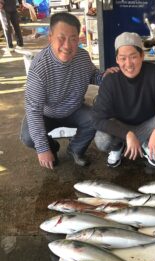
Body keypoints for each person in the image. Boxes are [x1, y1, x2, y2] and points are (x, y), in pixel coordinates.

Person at [20, 12, 118, 169]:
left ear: (78, 39)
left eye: (73, 39)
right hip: (47, 114)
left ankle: (75, 150)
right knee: (28, 137)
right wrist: (43, 148)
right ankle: (52, 148)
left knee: (95, 118)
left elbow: (92, 75)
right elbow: (33, 110)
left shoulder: (82, 57)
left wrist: (104, 77)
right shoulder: (39, 68)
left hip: (75, 109)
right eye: (61, 38)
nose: (67, 45)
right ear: (50, 37)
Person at [92, 32, 155, 168]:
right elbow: (97, 119)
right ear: (117, 60)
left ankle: (147, 144)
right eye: (123, 58)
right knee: (102, 139)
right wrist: (127, 134)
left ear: (142, 56)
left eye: (133, 57)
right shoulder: (110, 80)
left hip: (148, 125)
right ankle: (117, 146)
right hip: (122, 127)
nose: (129, 64)